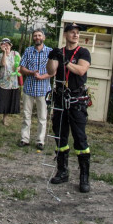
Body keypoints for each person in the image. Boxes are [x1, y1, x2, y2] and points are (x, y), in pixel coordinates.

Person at [46, 22, 91, 192]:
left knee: (80, 138)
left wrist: (66, 62)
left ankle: (84, 176)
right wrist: (52, 57)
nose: (75, 35)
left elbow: (81, 70)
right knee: (60, 137)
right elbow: (51, 71)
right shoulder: (61, 52)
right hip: (60, 99)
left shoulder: (83, 52)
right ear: (65, 35)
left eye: (77, 33)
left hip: (76, 100)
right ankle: (62, 170)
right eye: (72, 32)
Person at [17, 29, 52, 151]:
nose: (37, 37)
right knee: (27, 115)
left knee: (42, 117)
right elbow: (21, 68)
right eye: (35, 36)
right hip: (29, 88)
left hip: (43, 90)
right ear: (33, 38)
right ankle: (24, 138)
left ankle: (40, 141)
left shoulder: (50, 52)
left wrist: (42, 76)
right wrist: (31, 72)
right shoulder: (28, 51)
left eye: (39, 35)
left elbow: (54, 71)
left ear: (44, 37)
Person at [0, 38, 21, 125]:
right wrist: (4, 52)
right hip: (4, 82)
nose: (6, 46)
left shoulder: (16, 54)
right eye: (3, 44)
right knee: (1, 100)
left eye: (7, 44)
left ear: (11, 45)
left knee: (9, 101)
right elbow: (3, 64)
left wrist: (18, 68)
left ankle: (4, 119)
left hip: (13, 83)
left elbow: (20, 64)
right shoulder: (0, 55)